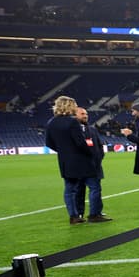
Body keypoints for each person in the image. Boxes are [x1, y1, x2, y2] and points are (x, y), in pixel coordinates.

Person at [44, 95, 94, 225]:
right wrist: (90, 153)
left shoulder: (51, 122)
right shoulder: (72, 122)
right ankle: (91, 213)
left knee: (69, 188)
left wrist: (63, 151)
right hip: (78, 159)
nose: (76, 107)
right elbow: (80, 142)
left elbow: (48, 143)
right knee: (86, 185)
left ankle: (73, 215)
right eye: (74, 105)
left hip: (64, 159)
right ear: (69, 106)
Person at [73, 107, 112, 223]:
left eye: (86, 114)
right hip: (78, 167)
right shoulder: (72, 130)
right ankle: (79, 214)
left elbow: (99, 146)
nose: (85, 116)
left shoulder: (92, 130)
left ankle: (95, 214)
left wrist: (98, 159)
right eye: (82, 114)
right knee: (79, 191)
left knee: (95, 189)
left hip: (93, 166)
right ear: (74, 115)